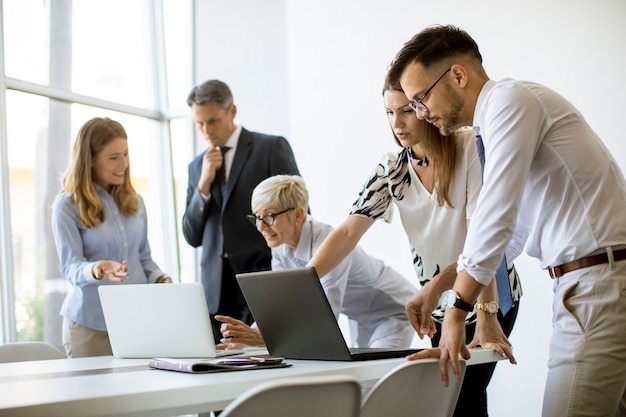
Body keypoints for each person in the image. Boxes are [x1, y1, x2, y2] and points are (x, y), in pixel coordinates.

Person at [386, 24, 626, 417]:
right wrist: (442, 286)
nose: (421, 115)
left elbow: (493, 216)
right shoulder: (502, 117)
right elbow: (509, 236)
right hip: (600, 280)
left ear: (458, 75)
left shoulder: (509, 102)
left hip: (598, 285)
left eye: (420, 99)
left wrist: (456, 312)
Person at [307, 79, 521, 417]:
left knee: (456, 405)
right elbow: (349, 231)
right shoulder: (392, 168)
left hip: (486, 295)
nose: (397, 123)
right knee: (463, 405)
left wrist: (486, 313)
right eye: (389, 113)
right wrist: (306, 279)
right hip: (439, 308)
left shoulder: (469, 149)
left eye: (406, 110)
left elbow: (481, 241)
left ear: (425, 107)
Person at [216, 174, 416, 350]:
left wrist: (263, 338)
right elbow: (281, 302)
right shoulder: (279, 244)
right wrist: (246, 336)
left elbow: (323, 323)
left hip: (393, 312)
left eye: (268, 217)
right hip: (361, 317)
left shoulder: (329, 246)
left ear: (298, 215)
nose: (261, 227)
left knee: (375, 379)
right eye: (257, 218)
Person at [183, 79, 302, 343]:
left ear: (232, 111)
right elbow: (192, 236)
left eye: (212, 121)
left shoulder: (270, 148)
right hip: (215, 292)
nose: (206, 130)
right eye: (199, 123)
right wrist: (203, 185)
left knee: (265, 359)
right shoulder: (195, 167)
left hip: (262, 279)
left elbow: (298, 214)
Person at [51, 117, 172, 358]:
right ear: (90, 160)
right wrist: (98, 268)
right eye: (114, 157)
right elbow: (70, 267)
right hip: (90, 328)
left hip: (135, 321)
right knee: (94, 396)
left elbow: (143, 258)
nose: (124, 163)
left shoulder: (135, 201)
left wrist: (162, 280)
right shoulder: (67, 205)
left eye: (126, 154)